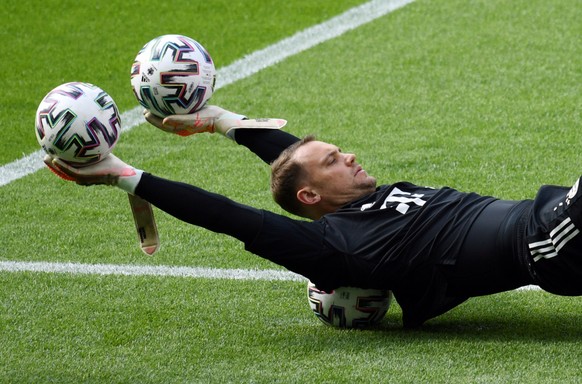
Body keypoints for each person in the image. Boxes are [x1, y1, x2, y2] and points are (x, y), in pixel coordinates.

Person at [44, 105, 582, 328]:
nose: (346, 156)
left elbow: (289, 155)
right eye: (332, 161)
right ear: (309, 199)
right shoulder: (338, 247)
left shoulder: (372, 199)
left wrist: (221, 121)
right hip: (546, 241)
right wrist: (127, 177)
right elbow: (234, 217)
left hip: (555, 228)